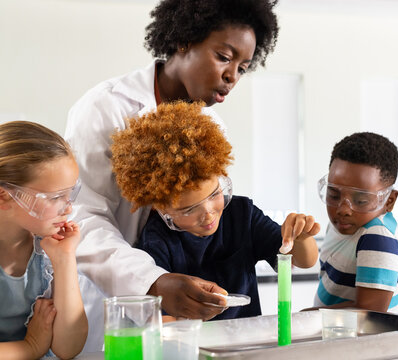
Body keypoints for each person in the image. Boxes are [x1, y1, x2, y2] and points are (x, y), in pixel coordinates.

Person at [64, 0, 279, 320]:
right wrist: (153, 282)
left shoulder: (212, 127)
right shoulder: (106, 107)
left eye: (242, 68)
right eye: (223, 57)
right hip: (106, 305)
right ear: (184, 40)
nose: (232, 76)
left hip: (183, 316)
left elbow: (206, 221)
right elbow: (82, 217)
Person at [110, 101, 320, 320]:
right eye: (190, 209)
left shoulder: (242, 214)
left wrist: (301, 236)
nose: (209, 214)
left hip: (247, 342)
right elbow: (162, 320)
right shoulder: (156, 241)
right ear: (161, 208)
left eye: (214, 195)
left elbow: (304, 261)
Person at [0, 121, 88, 359]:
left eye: (71, 194)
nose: (68, 208)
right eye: (56, 197)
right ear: (4, 196)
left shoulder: (48, 248)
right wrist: (30, 347)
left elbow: (68, 348)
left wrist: (64, 259)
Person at [309, 132, 398, 313]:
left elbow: (370, 313)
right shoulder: (341, 224)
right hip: (337, 334)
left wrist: (305, 317)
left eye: (361, 201)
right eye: (333, 195)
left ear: (389, 201)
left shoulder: (378, 237)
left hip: (368, 339)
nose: (343, 209)